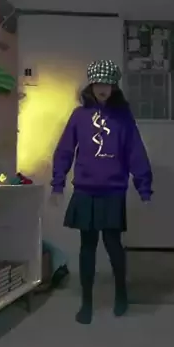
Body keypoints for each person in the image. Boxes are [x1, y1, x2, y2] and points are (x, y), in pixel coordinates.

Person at [50, 60, 153, 324]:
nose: (102, 88)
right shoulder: (79, 116)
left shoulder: (123, 117)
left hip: (113, 190)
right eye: (98, 83)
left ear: (114, 86)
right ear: (91, 85)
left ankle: (121, 293)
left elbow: (135, 151)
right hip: (85, 189)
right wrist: (57, 183)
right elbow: (64, 150)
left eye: (107, 83)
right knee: (87, 246)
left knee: (113, 244)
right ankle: (87, 302)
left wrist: (143, 186)